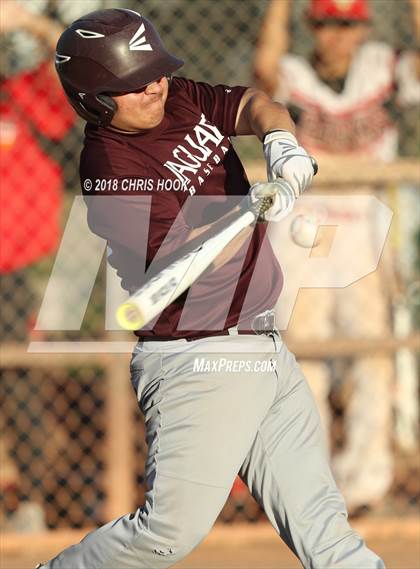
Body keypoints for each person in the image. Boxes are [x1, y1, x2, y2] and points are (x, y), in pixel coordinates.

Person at [40, 8, 385, 569]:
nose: (154, 85)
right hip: (198, 357)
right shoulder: (110, 166)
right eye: (133, 82)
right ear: (95, 99)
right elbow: (183, 259)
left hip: (263, 340)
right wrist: (249, 210)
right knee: (166, 534)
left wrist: (280, 141)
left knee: (325, 530)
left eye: (154, 70)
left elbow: (250, 102)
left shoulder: (175, 97)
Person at [254, 0, 419, 514]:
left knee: (374, 354)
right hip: (305, 227)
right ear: (313, 27)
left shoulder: (382, 68)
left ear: (362, 27)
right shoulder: (294, 73)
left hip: (366, 227)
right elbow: (264, 69)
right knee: (304, 356)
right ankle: (310, 481)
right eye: (327, 23)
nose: (338, 36)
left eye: (347, 24)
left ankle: (366, 483)